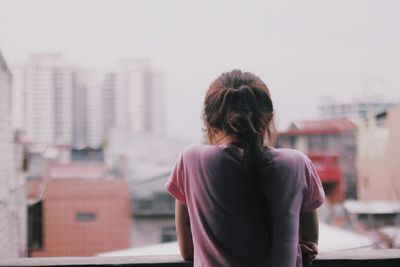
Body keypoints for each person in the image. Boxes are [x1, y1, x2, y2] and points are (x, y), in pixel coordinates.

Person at [166, 70, 325, 267]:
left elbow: (188, 252)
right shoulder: (297, 164)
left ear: (209, 122)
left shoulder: (191, 160)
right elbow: (309, 243)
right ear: (269, 119)